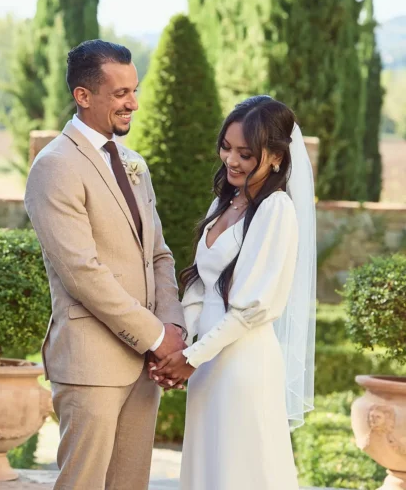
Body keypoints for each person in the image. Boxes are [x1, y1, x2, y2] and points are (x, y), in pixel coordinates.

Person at [24, 39, 188, 490]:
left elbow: (158, 254)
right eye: (120, 93)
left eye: (134, 91)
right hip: (91, 364)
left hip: (145, 366)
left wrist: (172, 328)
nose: (133, 103)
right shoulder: (55, 166)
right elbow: (83, 273)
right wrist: (157, 337)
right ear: (83, 95)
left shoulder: (134, 163)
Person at [151, 95, 317, 489]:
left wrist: (190, 357)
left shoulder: (276, 210)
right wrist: (179, 343)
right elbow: (200, 285)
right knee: (208, 468)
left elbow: (252, 308)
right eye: (226, 148)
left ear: (276, 157)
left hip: (243, 362)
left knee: (240, 470)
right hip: (206, 363)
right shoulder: (224, 202)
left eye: (246, 154)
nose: (232, 161)